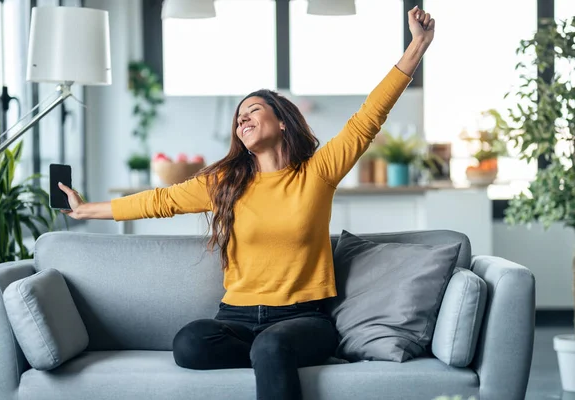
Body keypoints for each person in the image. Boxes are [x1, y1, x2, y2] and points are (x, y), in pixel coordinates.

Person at [59, 6, 435, 400]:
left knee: (274, 344)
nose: (243, 119)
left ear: (283, 121)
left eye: (254, 109)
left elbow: (368, 117)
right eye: (239, 117)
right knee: (189, 343)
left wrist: (417, 47)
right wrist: (86, 210)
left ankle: (276, 352)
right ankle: (270, 355)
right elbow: (162, 201)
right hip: (236, 318)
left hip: (302, 317)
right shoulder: (225, 183)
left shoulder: (317, 172)